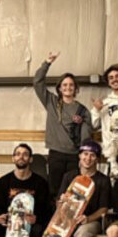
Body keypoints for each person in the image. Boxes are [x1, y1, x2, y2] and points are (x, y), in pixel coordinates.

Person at [33, 51, 93, 193]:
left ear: (76, 88)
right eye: (64, 85)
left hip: (74, 156)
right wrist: (47, 63)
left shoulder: (83, 111)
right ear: (59, 88)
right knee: (54, 191)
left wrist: (83, 156)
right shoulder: (51, 102)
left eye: (71, 85)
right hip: (56, 154)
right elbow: (37, 82)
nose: (68, 87)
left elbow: (86, 136)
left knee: (73, 191)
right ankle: (55, 215)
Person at [57, 140, 111, 237]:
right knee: (54, 233)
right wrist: (62, 202)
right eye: (85, 154)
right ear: (79, 156)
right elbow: (59, 202)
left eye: (92, 155)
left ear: (97, 159)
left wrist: (87, 219)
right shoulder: (69, 176)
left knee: (83, 232)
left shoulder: (103, 180)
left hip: (90, 221)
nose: (88, 158)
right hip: (68, 218)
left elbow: (104, 208)